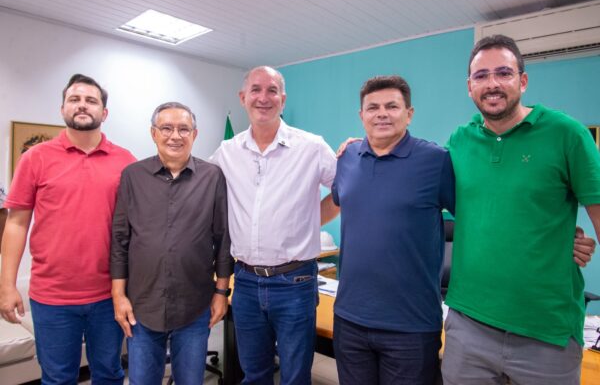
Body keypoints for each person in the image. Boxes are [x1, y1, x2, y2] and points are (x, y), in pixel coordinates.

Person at [442, 34, 600, 385]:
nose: (492, 84)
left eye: (503, 73)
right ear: (469, 87)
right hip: (468, 327)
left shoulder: (567, 134)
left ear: (523, 81)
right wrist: (363, 148)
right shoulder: (459, 141)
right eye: (481, 76)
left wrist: (567, 239)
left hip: (545, 333)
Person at [0, 74, 135, 384]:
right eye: (74, 99)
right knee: (57, 378)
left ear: (104, 112)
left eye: (91, 100)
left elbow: (137, 227)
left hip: (110, 294)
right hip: (52, 297)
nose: (82, 105)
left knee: (110, 374)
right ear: (62, 109)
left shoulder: (125, 161)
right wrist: (6, 285)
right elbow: (16, 224)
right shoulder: (35, 158)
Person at [210, 66, 339, 384]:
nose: (263, 97)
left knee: (295, 376)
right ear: (243, 97)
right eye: (255, 90)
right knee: (254, 374)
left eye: (272, 90)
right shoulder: (228, 152)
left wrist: (310, 223)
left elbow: (343, 193)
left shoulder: (311, 147)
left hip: (295, 282)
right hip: (246, 281)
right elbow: (199, 190)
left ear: (283, 99)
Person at [331, 75, 455, 385]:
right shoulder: (346, 157)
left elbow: (475, 216)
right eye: (373, 107)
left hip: (411, 326)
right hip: (350, 319)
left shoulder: (437, 161)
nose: (382, 114)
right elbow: (339, 201)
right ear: (362, 115)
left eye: (392, 106)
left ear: (409, 114)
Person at [111, 102, 233, 385]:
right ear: (153, 133)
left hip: (195, 304)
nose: (175, 136)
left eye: (183, 129)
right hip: (142, 304)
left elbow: (223, 239)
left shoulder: (212, 177)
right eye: (166, 128)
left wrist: (221, 292)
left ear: (195, 134)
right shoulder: (132, 176)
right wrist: (118, 295)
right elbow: (119, 240)